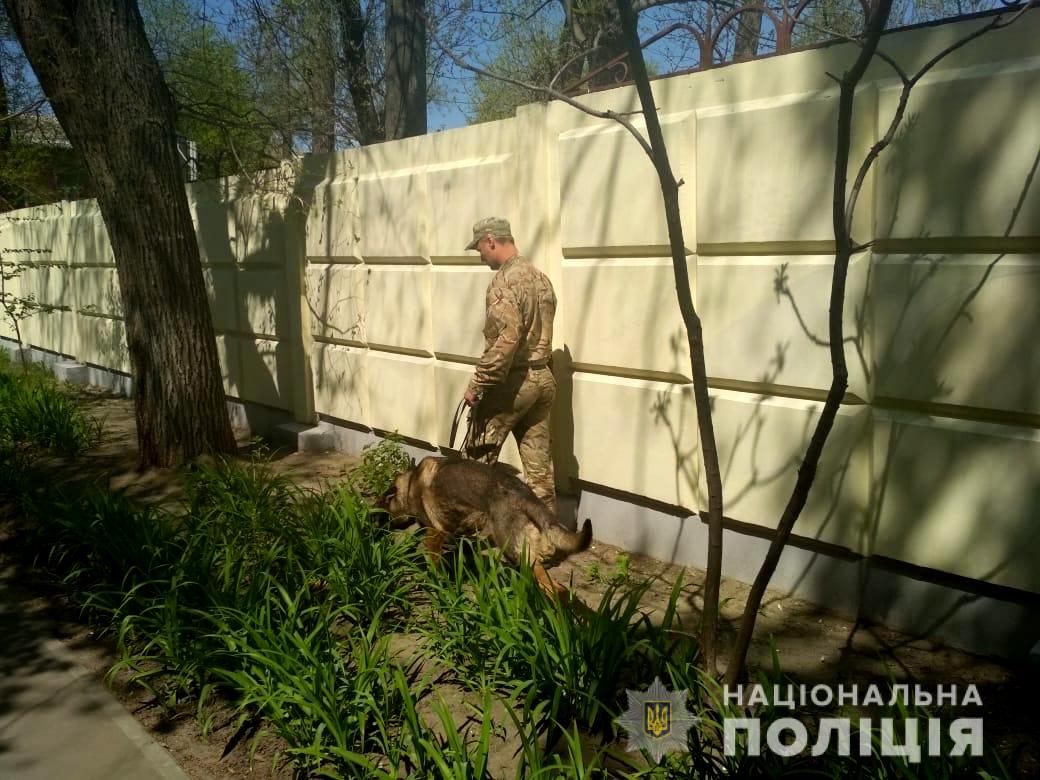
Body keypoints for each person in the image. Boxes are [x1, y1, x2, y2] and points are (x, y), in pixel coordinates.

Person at [462, 217, 559, 514]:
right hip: (543, 381)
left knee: (474, 464)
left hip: (513, 385)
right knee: (539, 471)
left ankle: (470, 544)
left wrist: (477, 384)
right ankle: (548, 541)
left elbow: (505, 342)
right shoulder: (540, 278)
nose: (480, 256)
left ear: (491, 240)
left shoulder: (503, 283)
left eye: (479, 248)